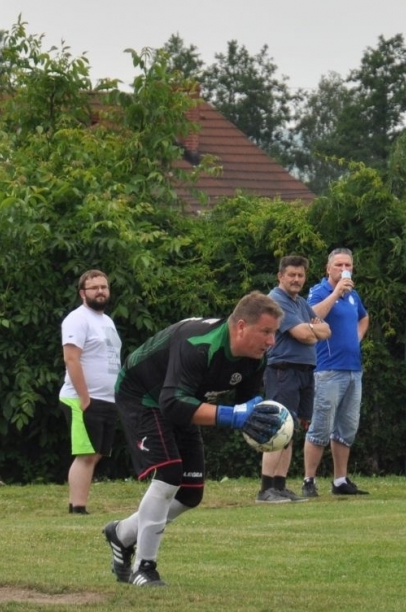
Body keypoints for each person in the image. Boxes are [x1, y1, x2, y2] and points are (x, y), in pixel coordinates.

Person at [103, 293, 287, 586]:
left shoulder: (255, 359)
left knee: (190, 493)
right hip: (143, 395)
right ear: (241, 327)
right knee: (169, 474)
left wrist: (263, 423)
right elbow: (172, 403)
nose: (271, 341)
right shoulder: (197, 344)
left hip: (183, 400)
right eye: (266, 331)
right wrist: (233, 417)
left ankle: (122, 534)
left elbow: (246, 404)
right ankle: (145, 568)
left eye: (274, 333)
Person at [258, 255, 328, 503]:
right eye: (292, 275)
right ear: (280, 276)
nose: (296, 279)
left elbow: (326, 329)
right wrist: (312, 332)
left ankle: (280, 485)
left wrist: (313, 332)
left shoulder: (298, 303)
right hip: (283, 370)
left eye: (300, 275)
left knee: (291, 430)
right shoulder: (277, 300)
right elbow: (301, 334)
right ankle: (266, 489)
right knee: (277, 427)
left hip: (304, 371)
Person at [302, 248, 369, 497]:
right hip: (328, 370)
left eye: (347, 265)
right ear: (328, 268)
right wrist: (336, 292)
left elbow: (364, 318)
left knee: (347, 427)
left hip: (353, 369)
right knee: (320, 427)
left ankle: (340, 480)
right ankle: (309, 480)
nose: (343, 269)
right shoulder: (320, 291)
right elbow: (311, 316)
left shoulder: (354, 295)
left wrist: (357, 337)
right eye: (339, 265)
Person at [59, 270, 122, 515]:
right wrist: (85, 398)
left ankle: (79, 503)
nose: (100, 291)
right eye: (94, 287)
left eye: (104, 287)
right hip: (82, 399)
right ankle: (77, 507)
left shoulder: (107, 321)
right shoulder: (77, 319)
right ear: (82, 293)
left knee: (95, 454)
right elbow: (71, 359)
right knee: (85, 453)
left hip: (106, 399)